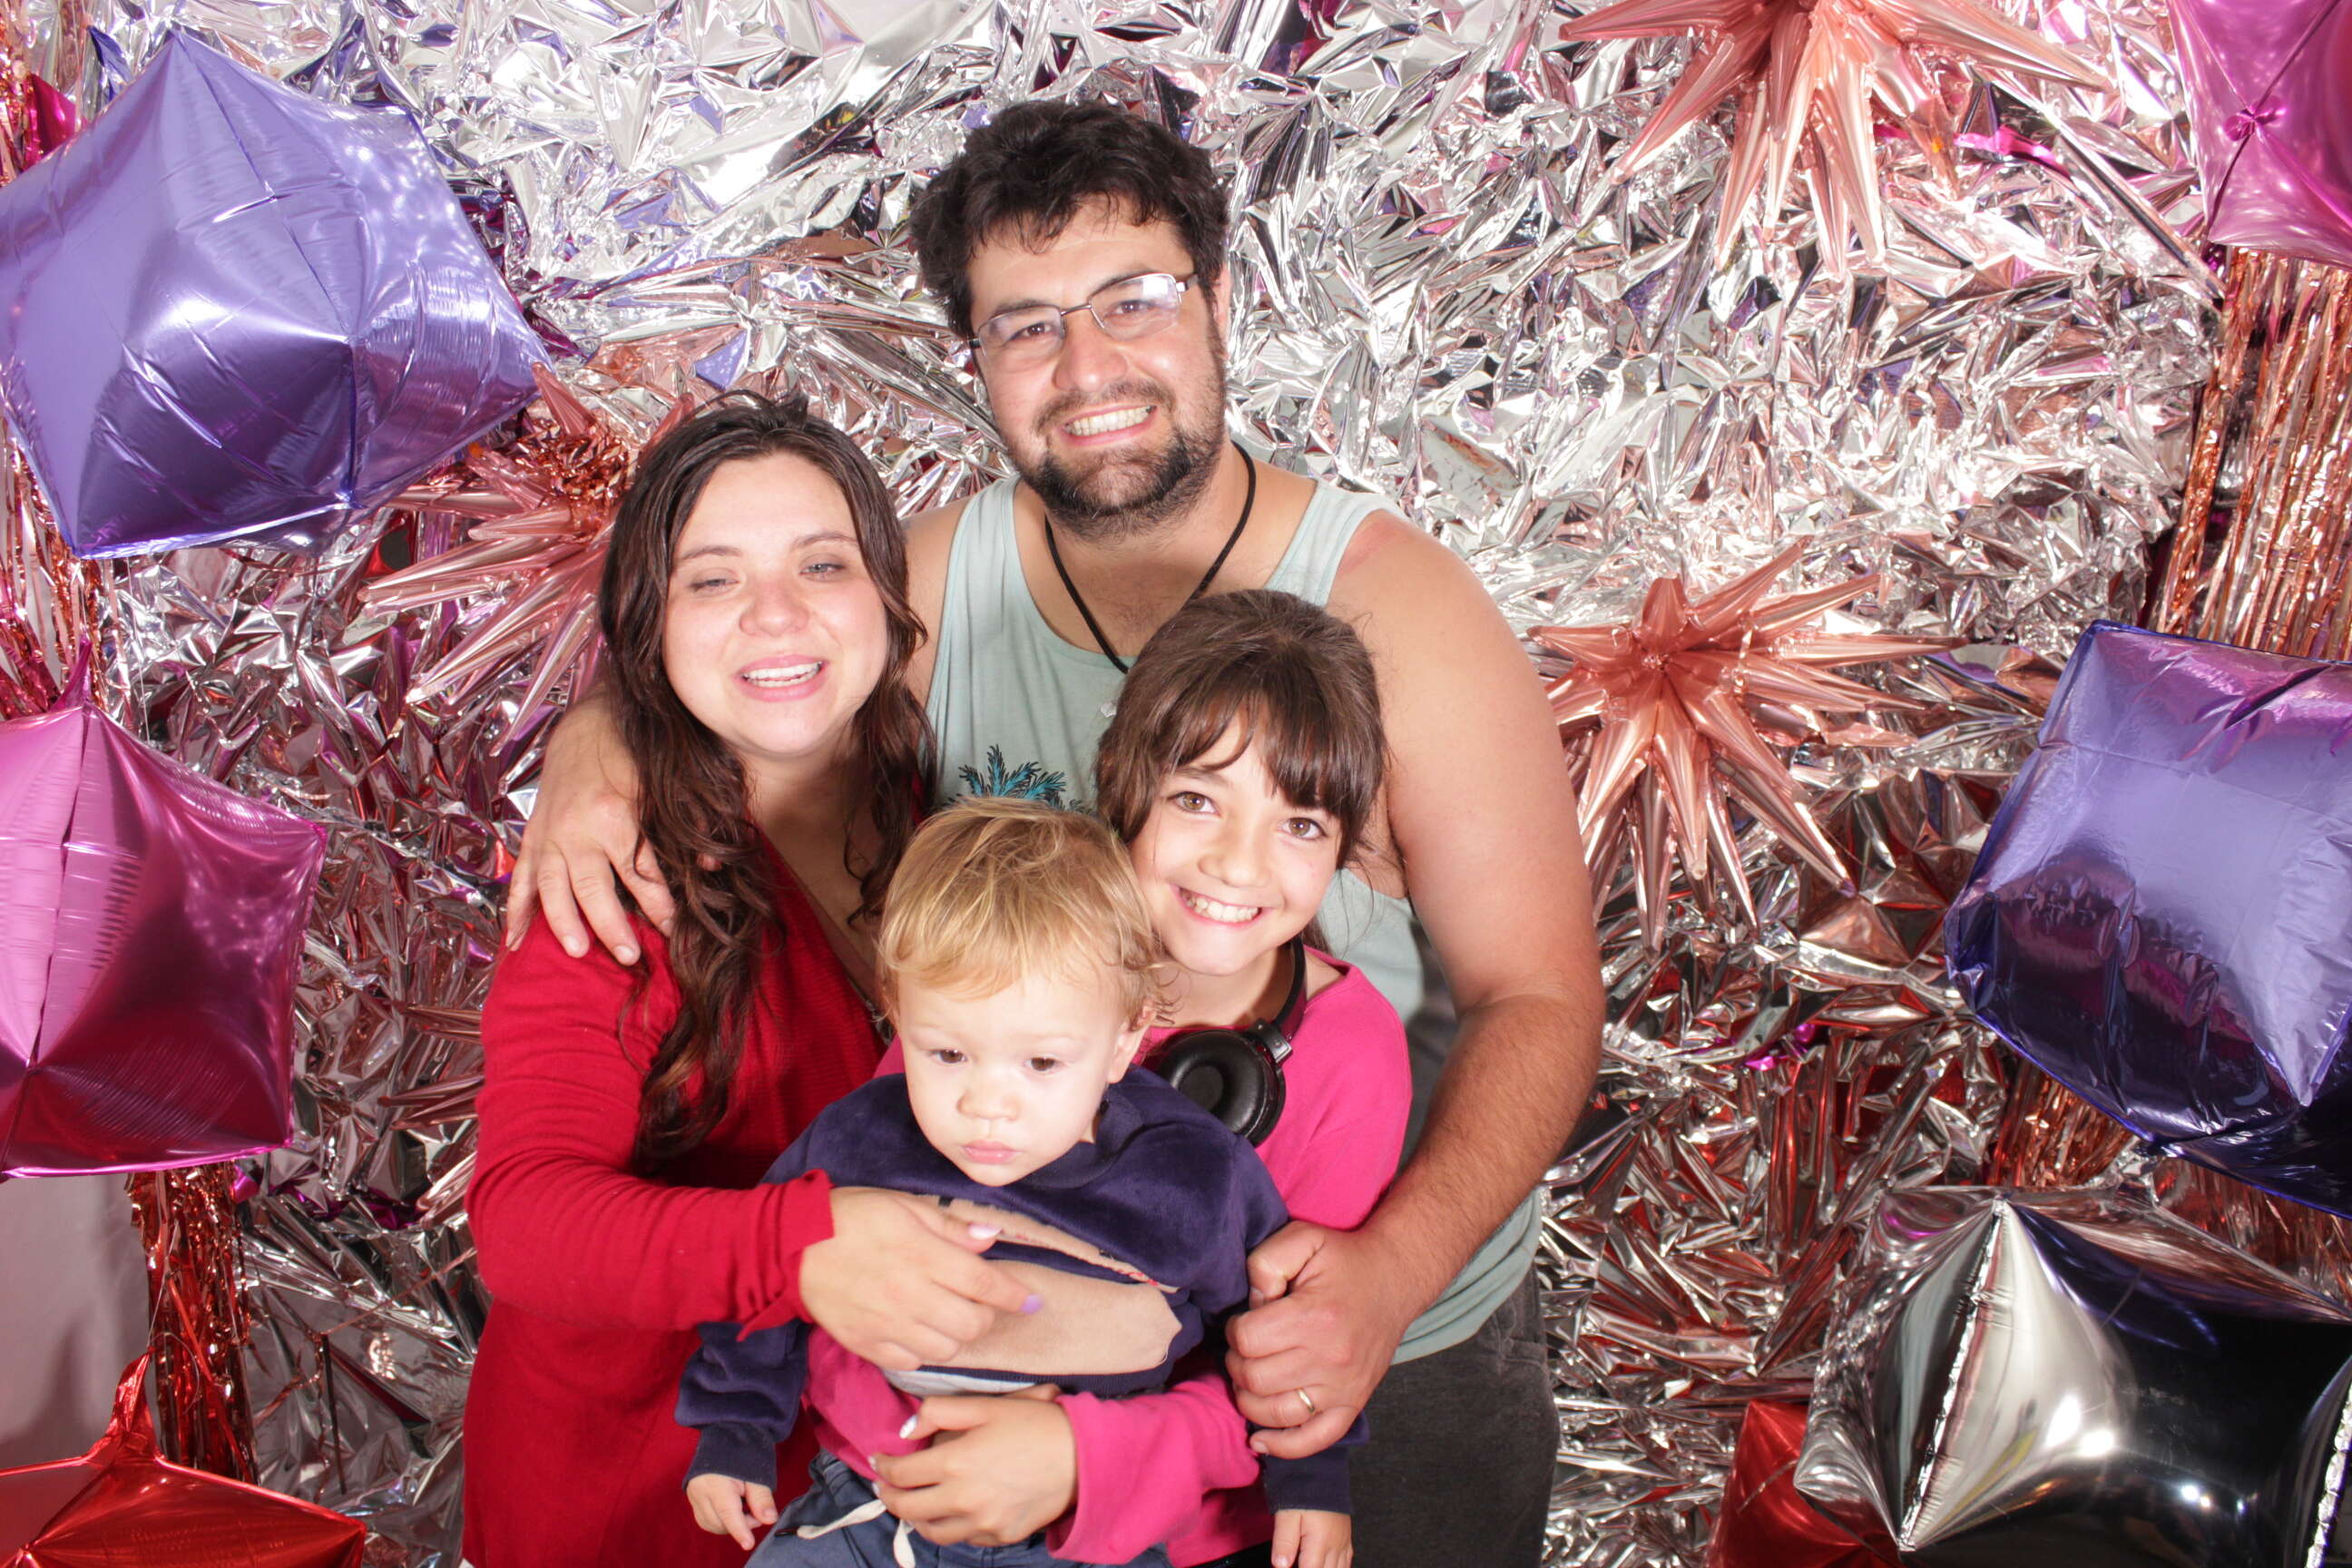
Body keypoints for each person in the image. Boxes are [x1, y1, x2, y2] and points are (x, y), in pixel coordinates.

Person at [514, 103, 1603, 1567]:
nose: (1087, 368)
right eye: (1026, 326)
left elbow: (1541, 996)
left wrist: (1387, 1276)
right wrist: (593, 749)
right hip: (1054, 1334)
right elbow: (747, 650)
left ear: (1220, 303)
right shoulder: (938, 583)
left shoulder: (1399, 611)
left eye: (1133, 301)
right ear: (975, 359)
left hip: (1366, 1327)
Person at [463, 393, 1042, 1568]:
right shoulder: (613, 885)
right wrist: (804, 1246)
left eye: (822, 564)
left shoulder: (947, 826)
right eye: (713, 579)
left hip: (869, 1502)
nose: (776, 613)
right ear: (650, 627)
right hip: (638, 1514)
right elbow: (522, 1223)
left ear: (889, 599)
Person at [678, 799, 1357, 1568]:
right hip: (865, 1509)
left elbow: (1281, 1337)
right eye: (947, 1054)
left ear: (1125, 1038)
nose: (986, 1105)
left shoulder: (1193, 1176)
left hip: (1089, 1534)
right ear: (900, 1012)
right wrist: (733, 1431)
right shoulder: (857, 1138)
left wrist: (1310, 1482)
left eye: (1040, 1063)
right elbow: (764, 1280)